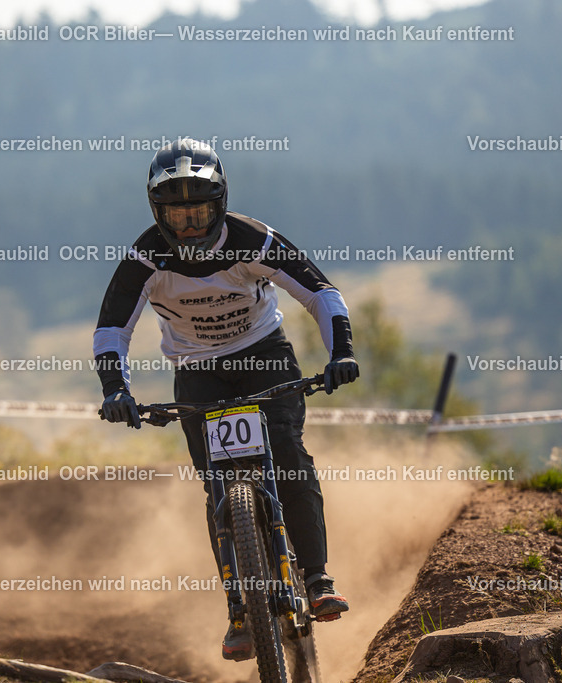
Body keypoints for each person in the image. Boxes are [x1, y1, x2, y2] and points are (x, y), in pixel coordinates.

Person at [94, 137, 358, 662]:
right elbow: (111, 330)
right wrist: (115, 390)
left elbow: (320, 293)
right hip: (197, 375)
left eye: (200, 212)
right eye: (177, 214)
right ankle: (240, 609)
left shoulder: (253, 240)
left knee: (287, 456)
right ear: (158, 213)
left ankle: (318, 579)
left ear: (221, 204)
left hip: (263, 357)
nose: (189, 225)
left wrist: (342, 352)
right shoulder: (146, 256)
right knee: (218, 488)